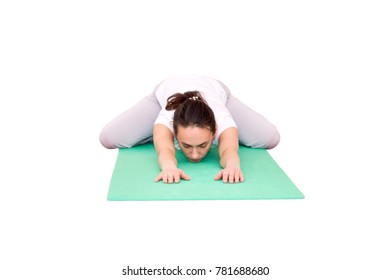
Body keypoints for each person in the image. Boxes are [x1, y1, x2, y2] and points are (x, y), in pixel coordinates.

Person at [99, 74, 280, 184]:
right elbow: (166, 150)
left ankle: (209, 135)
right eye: (186, 145)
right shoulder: (166, 119)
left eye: (202, 145)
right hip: (168, 89)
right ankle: (153, 134)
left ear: (215, 131)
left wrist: (233, 166)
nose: (195, 155)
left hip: (215, 90)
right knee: (108, 138)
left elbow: (228, 150)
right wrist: (169, 167)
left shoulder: (223, 120)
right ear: (174, 132)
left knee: (270, 138)